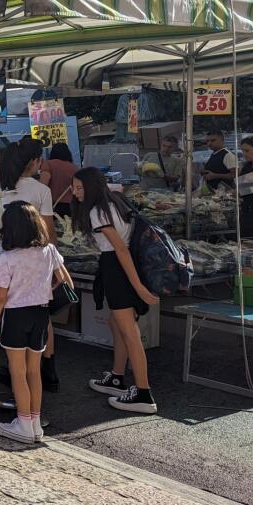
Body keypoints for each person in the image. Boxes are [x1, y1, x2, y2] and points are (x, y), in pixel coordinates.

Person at [0, 139, 59, 388]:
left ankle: (15, 370)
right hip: (37, 256)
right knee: (42, 312)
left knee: (11, 310)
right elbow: (49, 231)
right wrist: (53, 260)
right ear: (34, 161)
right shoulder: (41, 190)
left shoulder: (0, 187)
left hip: (8, 255)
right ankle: (48, 370)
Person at [72, 167, 160, 414]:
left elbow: (119, 250)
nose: (75, 192)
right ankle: (117, 376)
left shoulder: (98, 211)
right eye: (74, 187)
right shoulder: (117, 201)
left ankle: (143, 392)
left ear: (92, 187)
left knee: (129, 332)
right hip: (123, 264)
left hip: (117, 267)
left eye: (80, 187)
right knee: (117, 323)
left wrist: (139, 288)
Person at [0, 201, 72, 443]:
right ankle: (34, 422)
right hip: (41, 314)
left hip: (16, 315)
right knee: (35, 370)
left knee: (18, 371)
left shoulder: (7, 258)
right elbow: (65, 279)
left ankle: (23, 423)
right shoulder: (49, 251)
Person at [40, 143, 78, 216]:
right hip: (71, 206)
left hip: (53, 206)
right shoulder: (74, 167)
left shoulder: (48, 164)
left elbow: (43, 185)